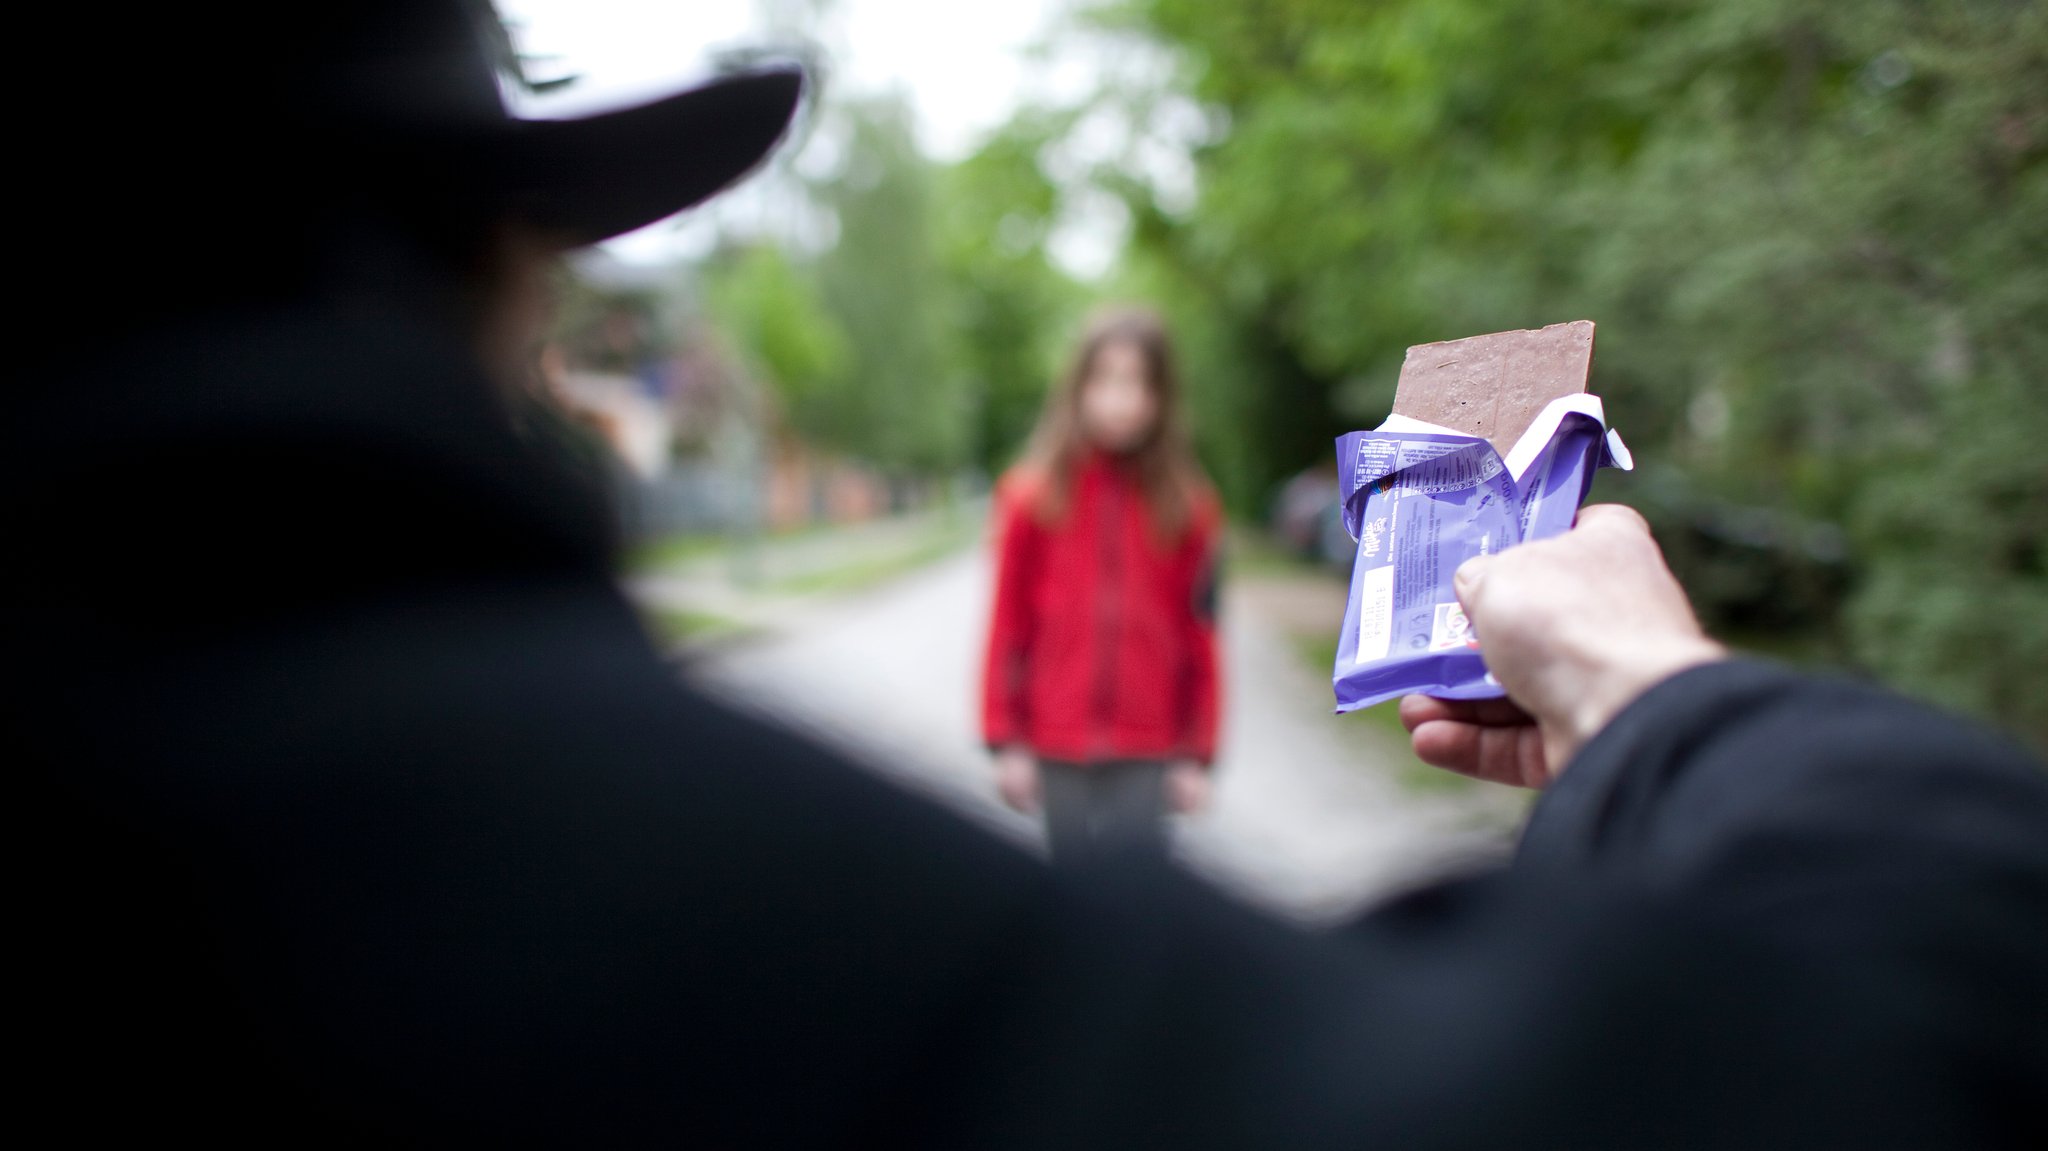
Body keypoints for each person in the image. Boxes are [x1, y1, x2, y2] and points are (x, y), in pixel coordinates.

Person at [14, 2, 2047, 1144]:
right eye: (542, 257)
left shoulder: (1159, 516)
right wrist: (1659, 695)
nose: (553, 347)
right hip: (1048, 746)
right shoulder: (537, 863)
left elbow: (1168, 640)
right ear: (441, 244)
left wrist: (1170, 757)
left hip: (1132, 745)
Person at [981, 307, 1222, 862]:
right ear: (1078, 388)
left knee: (1137, 895)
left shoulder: (1190, 508)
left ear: (1161, 397)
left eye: (1137, 382)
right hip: (1054, 739)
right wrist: (1005, 738)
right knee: (1068, 893)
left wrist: (1197, 752)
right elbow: (1005, 624)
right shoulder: (1029, 498)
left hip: (1149, 743)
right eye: (1105, 379)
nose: (1119, 400)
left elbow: (1202, 633)